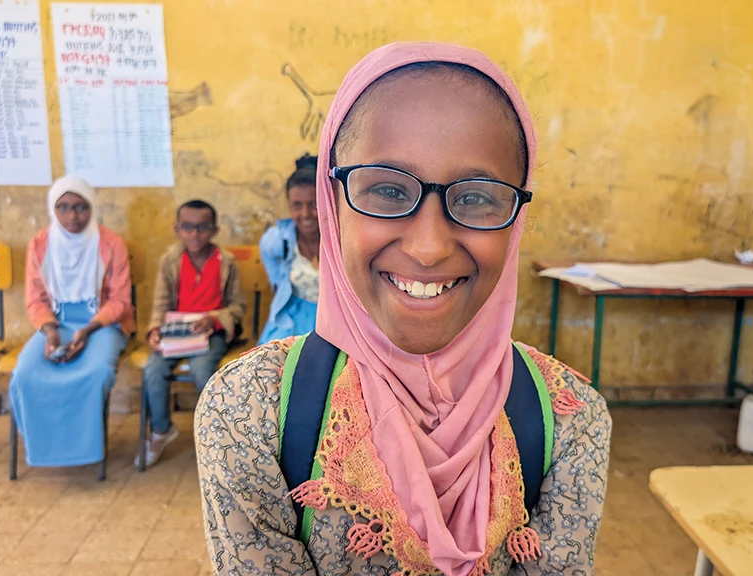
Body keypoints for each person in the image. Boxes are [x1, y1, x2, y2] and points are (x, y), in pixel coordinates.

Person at [195, 43, 611, 575]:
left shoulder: (570, 420)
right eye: (388, 190)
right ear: (333, 203)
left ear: (516, 214)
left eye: (477, 197)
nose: (429, 246)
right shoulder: (247, 412)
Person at [9, 176, 133, 467]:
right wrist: (51, 332)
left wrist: (88, 330)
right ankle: (45, 451)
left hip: (102, 325)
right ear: (53, 210)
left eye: (81, 207)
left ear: (93, 208)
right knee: (25, 374)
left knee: (97, 373)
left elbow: (120, 300)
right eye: (63, 208)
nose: (72, 217)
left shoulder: (111, 244)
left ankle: (86, 452)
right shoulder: (40, 245)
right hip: (57, 323)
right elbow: (35, 300)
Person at [137, 199, 246, 468]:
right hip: (176, 332)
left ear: (214, 230)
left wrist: (214, 319)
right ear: (177, 229)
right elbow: (161, 303)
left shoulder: (226, 262)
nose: (195, 234)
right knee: (153, 369)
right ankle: (161, 429)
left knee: (203, 371)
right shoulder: (171, 260)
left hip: (211, 333)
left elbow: (238, 306)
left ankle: (217, 436)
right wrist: (154, 330)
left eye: (202, 227)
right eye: (187, 227)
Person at [257, 154, 321, 344]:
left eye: (314, 204)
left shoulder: (342, 240)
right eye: (296, 205)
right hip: (291, 320)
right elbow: (277, 281)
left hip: (333, 320)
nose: (305, 214)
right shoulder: (278, 241)